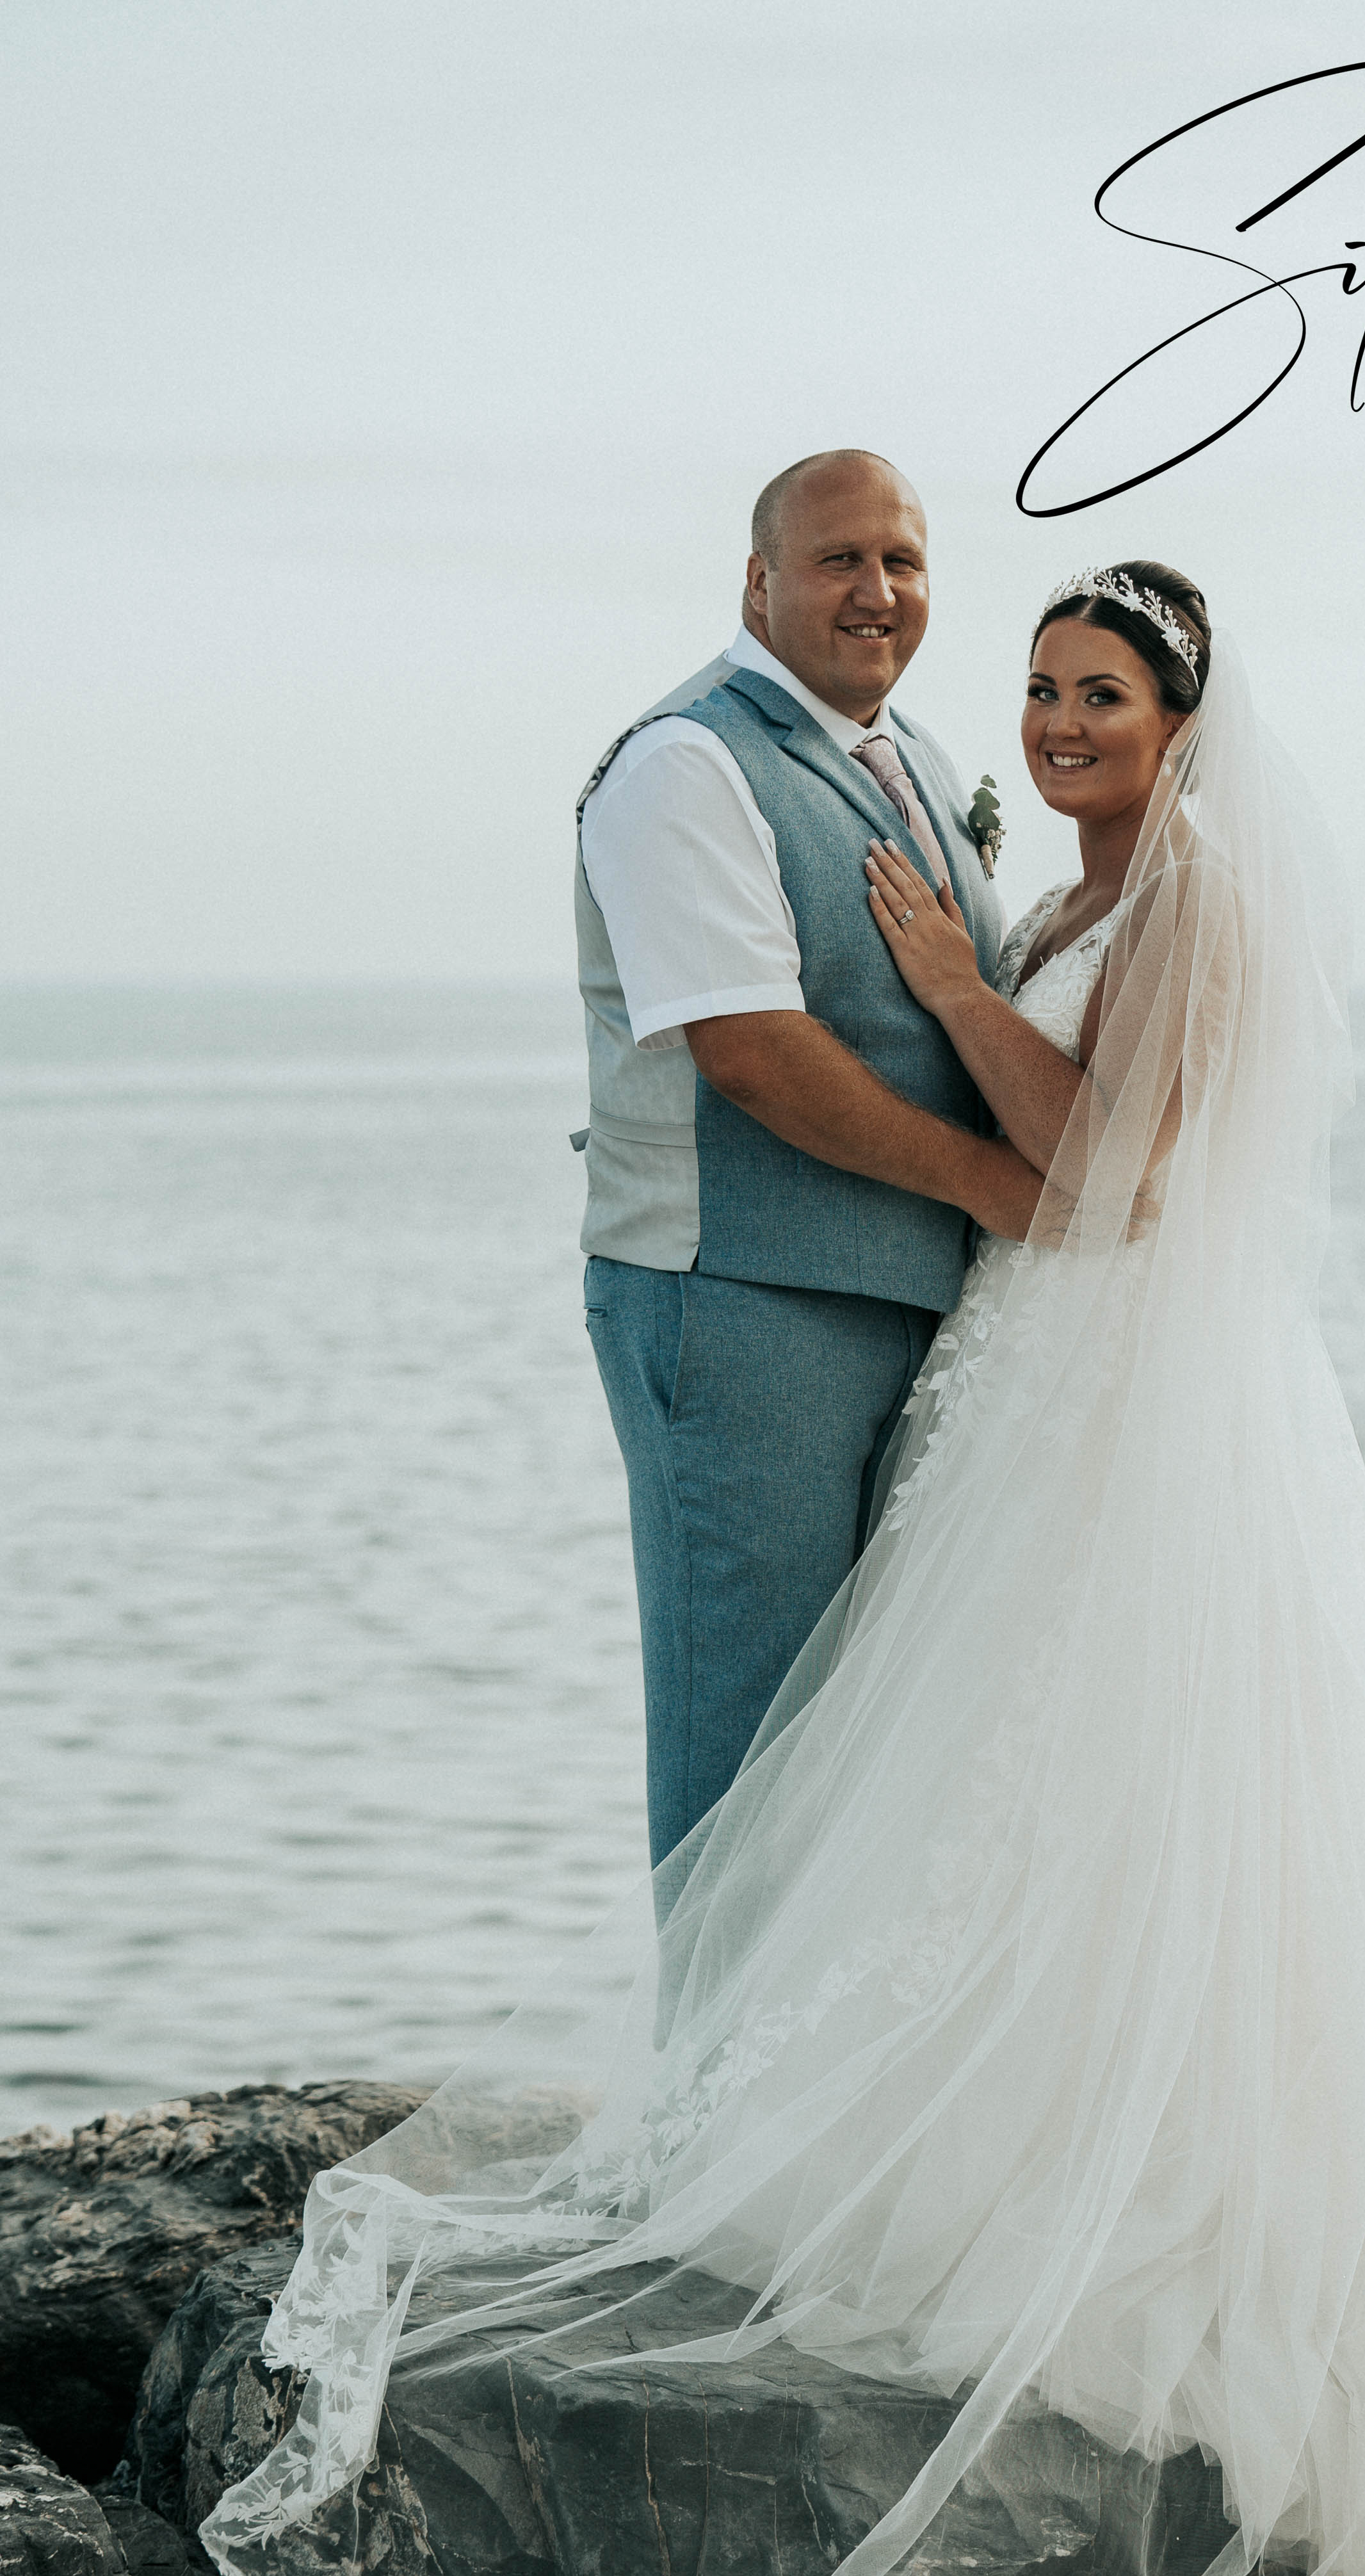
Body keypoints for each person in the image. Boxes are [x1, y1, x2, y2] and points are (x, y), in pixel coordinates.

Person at [208, 562, 1365, 2576]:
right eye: (1037, 687)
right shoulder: (1061, 880)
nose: (1050, 719)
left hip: (1123, 1388)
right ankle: (940, 2089)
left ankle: (1122, 2179)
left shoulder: (1198, 904)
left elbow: (1122, 1170)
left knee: (1124, 1763)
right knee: (998, 1777)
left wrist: (947, 981)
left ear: (1182, 720)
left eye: (1097, 692)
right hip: (1018, 1379)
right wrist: (974, 960)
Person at [573, 447, 1038, 1863]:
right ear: (758, 583)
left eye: (901, 560)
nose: (876, 591)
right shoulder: (686, 763)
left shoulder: (917, 763)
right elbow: (752, 1051)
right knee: (748, 1748)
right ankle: (712, 2088)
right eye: (839, 559)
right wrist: (995, 1188)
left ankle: (827, 2086)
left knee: (870, 1752)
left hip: (904, 1311)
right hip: (738, 1308)